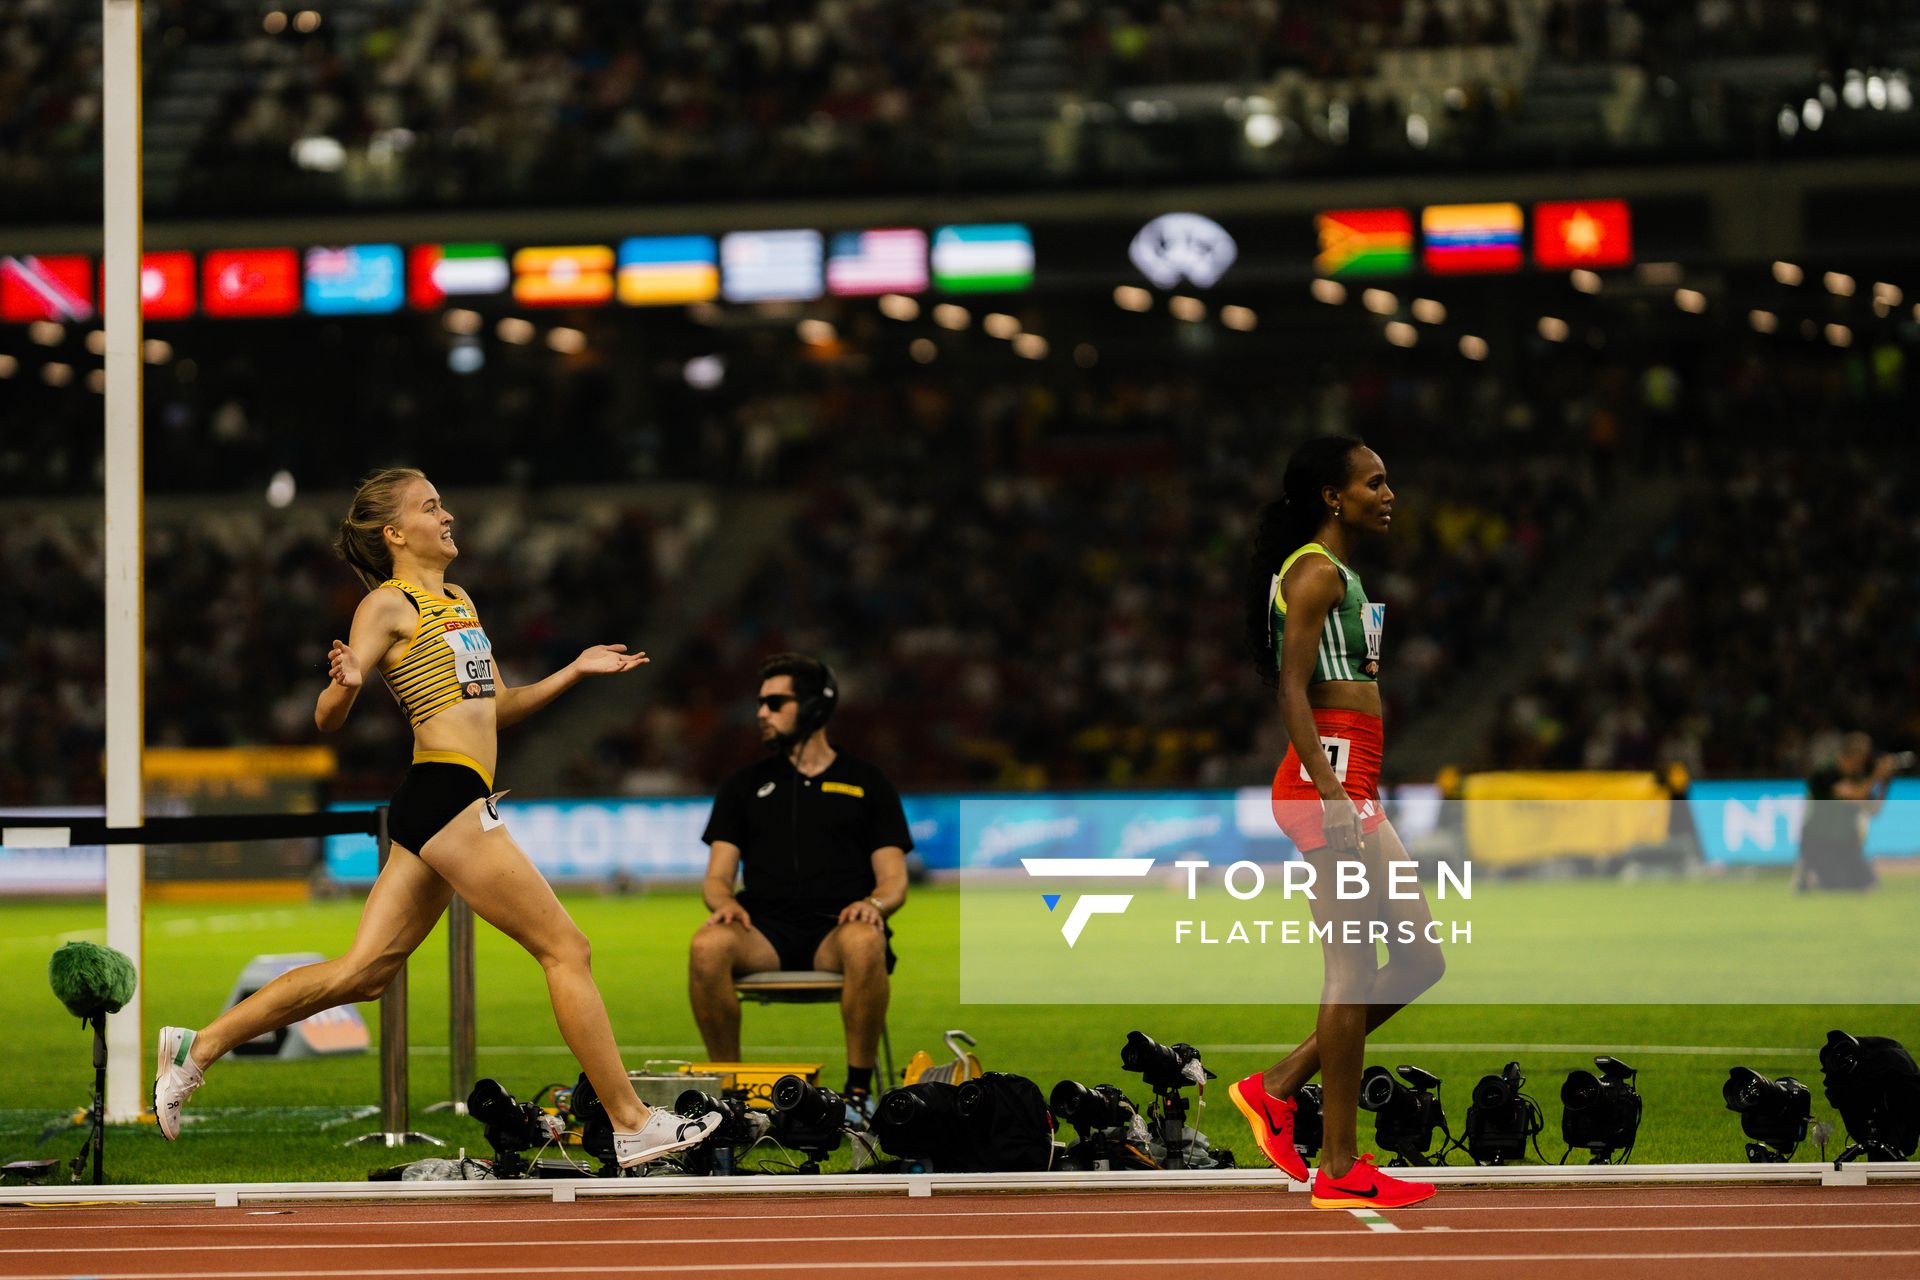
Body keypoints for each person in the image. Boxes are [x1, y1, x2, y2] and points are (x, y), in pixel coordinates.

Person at [152, 467, 720, 1167]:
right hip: (445, 795)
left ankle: (197, 1046)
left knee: (362, 974)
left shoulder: (458, 598)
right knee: (566, 949)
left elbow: (496, 708)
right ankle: (630, 1120)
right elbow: (327, 715)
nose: (447, 514)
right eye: (431, 506)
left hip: (441, 800)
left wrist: (573, 672)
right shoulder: (387, 605)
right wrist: (346, 686)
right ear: (395, 533)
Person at [1225, 435, 1446, 1210]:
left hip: (1352, 780)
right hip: (1331, 782)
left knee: (1420, 960)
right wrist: (1331, 794)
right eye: (1375, 482)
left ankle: (1278, 1085)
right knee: (1350, 970)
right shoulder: (1316, 572)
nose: (1390, 494)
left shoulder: (1337, 574)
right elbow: (1291, 692)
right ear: (1332, 495)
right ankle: (1342, 1165)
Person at [688, 654, 911, 1119]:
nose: (760, 713)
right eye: (760, 703)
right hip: (763, 933)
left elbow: (894, 881)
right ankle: (731, 1097)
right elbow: (716, 877)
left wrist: (873, 904)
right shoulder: (743, 786)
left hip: (838, 931)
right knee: (707, 945)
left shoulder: (867, 783)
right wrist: (724, 904)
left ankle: (856, 1094)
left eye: (774, 702)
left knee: (867, 939)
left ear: (812, 707)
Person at [1797, 733, 1903, 892]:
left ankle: (1818, 874)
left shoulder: (1859, 776)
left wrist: (1885, 783)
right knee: (1836, 886)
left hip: (1846, 842)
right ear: (1853, 755)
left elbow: (1873, 810)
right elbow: (1853, 795)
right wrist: (1876, 776)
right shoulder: (1826, 772)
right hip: (1818, 839)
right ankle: (1810, 870)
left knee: (1867, 886)